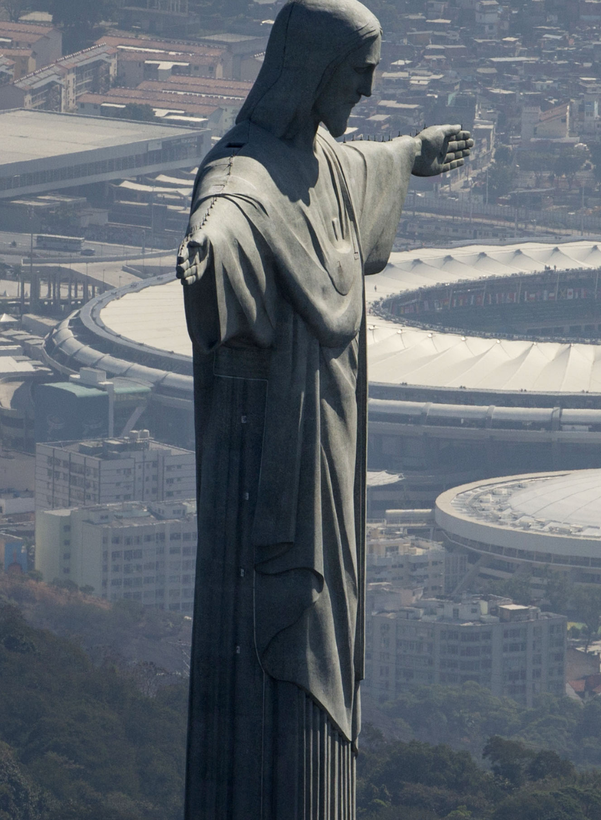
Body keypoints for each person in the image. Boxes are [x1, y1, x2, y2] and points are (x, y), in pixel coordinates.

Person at [176, 1, 469, 816]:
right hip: (273, 462)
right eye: (358, 76)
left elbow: (362, 165)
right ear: (311, 73)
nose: (367, 96)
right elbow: (226, 217)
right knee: (282, 639)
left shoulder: (329, 162)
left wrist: (413, 154)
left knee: (326, 635)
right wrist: (209, 253)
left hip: (332, 460)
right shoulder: (244, 179)